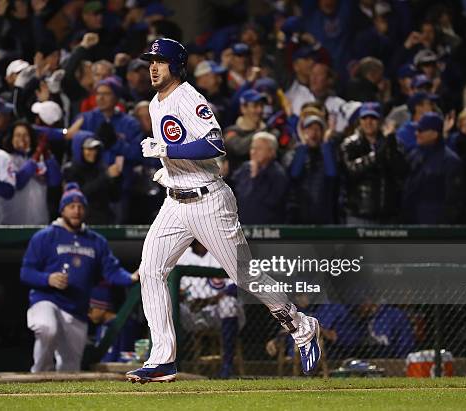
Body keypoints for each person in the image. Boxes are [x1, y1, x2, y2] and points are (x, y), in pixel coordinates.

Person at [125, 38, 321, 384]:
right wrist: (169, 168)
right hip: (175, 201)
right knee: (151, 269)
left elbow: (215, 144)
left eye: (160, 61)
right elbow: (182, 153)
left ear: (177, 65)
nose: (153, 67)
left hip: (209, 201)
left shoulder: (190, 98)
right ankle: (163, 358)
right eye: (150, 61)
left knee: (245, 277)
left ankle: (301, 326)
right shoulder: (156, 103)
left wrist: (167, 149)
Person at [20, 183, 139, 372]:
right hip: (47, 300)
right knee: (46, 327)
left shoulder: (96, 241)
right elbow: (26, 272)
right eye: (71, 206)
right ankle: (39, 371)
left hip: (76, 308)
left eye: (80, 206)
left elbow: (111, 271)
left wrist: (131, 277)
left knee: (70, 369)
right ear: (62, 209)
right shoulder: (45, 236)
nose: (76, 211)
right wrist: (48, 279)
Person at [177, 240, 245, 379]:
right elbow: (173, 286)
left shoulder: (223, 253)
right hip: (192, 312)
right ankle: (172, 362)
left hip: (218, 312)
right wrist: (181, 295)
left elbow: (236, 286)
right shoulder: (181, 255)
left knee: (229, 303)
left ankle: (227, 366)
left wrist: (208, 301)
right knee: (170, 307)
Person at [340, 103, 407, 225]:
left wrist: (390, 144)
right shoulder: (350, 144)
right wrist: (378, 154)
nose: (368, 122)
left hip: (388, 215)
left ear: (380, 120)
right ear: (359, 121)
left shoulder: (393, 142)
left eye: (373, 118)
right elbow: (352, 171)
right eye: (364, 118)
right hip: (360, 214)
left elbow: (401, 171)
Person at [401, 112, 465, 224]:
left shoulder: (450, 160)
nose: (416, 134)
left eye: (421, 130)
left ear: (434, 134)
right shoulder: (413, 154)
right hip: (411, 221)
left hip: (435, 225)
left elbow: (454, 200)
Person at [3, 121, 62, 225]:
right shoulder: (5, 158)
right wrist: (36, 156)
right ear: (11, 138)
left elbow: (55, 181)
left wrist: (47, 154)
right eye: (18, 135)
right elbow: (18, 181)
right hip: (12, 220)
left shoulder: (41, 159)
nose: (22, 138)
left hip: (39, 217)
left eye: (26, 135)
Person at [284, 115, 338, 224]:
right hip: (298, 215)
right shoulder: (294, 152)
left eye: (317, 129)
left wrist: (326, 142)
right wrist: (303, 145)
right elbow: (294, 174)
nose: (314, 133)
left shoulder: (329, 152)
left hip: (323, 215)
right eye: (309, 129)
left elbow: (331, 174)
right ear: (303, 132)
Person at [230, 132, 288, 224]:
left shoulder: (278, 174)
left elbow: (268, 204)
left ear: (271, 152)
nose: (253, 151)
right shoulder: (244, 169)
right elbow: (233, 193)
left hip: (268, 229)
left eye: (259, 148)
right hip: (242, 228)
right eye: (252, 148)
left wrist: (255, 177)